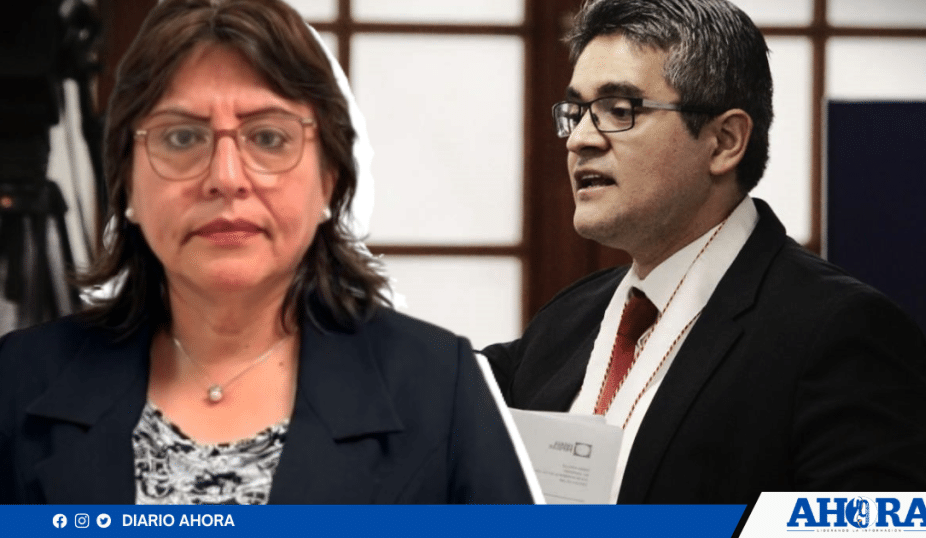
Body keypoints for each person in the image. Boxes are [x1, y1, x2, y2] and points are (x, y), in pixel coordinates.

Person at [0, 0, 533, 504]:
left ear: (330, 180)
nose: (226, 178)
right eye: (182, 138)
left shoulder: (438, 387)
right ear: (127, 184)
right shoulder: (19, 380)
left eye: (269, 138)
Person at [482, 0, 926, 504]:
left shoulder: (840, 332)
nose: (580, 140)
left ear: (724, 141)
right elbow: (443, 399)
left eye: (619, 110)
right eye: (576, 113)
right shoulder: (567, 319)